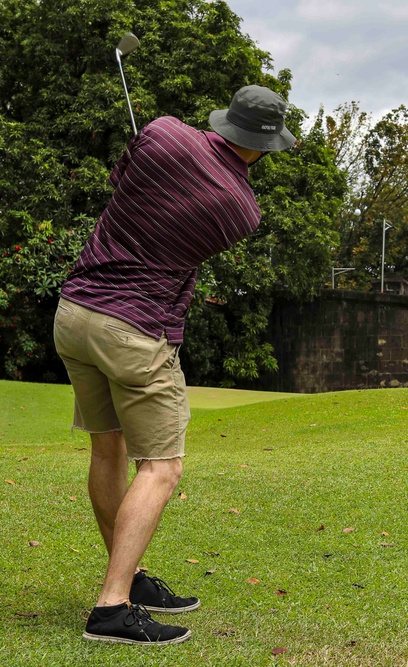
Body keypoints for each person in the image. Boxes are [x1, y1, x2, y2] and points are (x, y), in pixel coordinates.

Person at [53, 84, 297, 645]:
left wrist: (153, 156)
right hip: (134, 331)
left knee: (107, 447)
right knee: (162, 467)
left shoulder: (159, 131)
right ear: (262, 146)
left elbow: (122, 186)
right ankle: (112, 606)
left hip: (75, 312)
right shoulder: (243, 210)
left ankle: (130, 579)